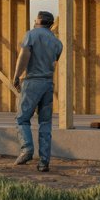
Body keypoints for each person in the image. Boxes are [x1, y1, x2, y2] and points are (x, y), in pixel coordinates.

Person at [12, 10, 63, 172]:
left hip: (33, 81)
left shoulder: (31, 35)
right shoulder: (57, 43)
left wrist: (16, 76)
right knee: (45, 123)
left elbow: (24, 55)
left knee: (22, 118)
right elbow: (54, 61)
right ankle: (44, 162)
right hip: (48, 83)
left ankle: (27, 149)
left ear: (39, 20)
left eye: (35, 19)